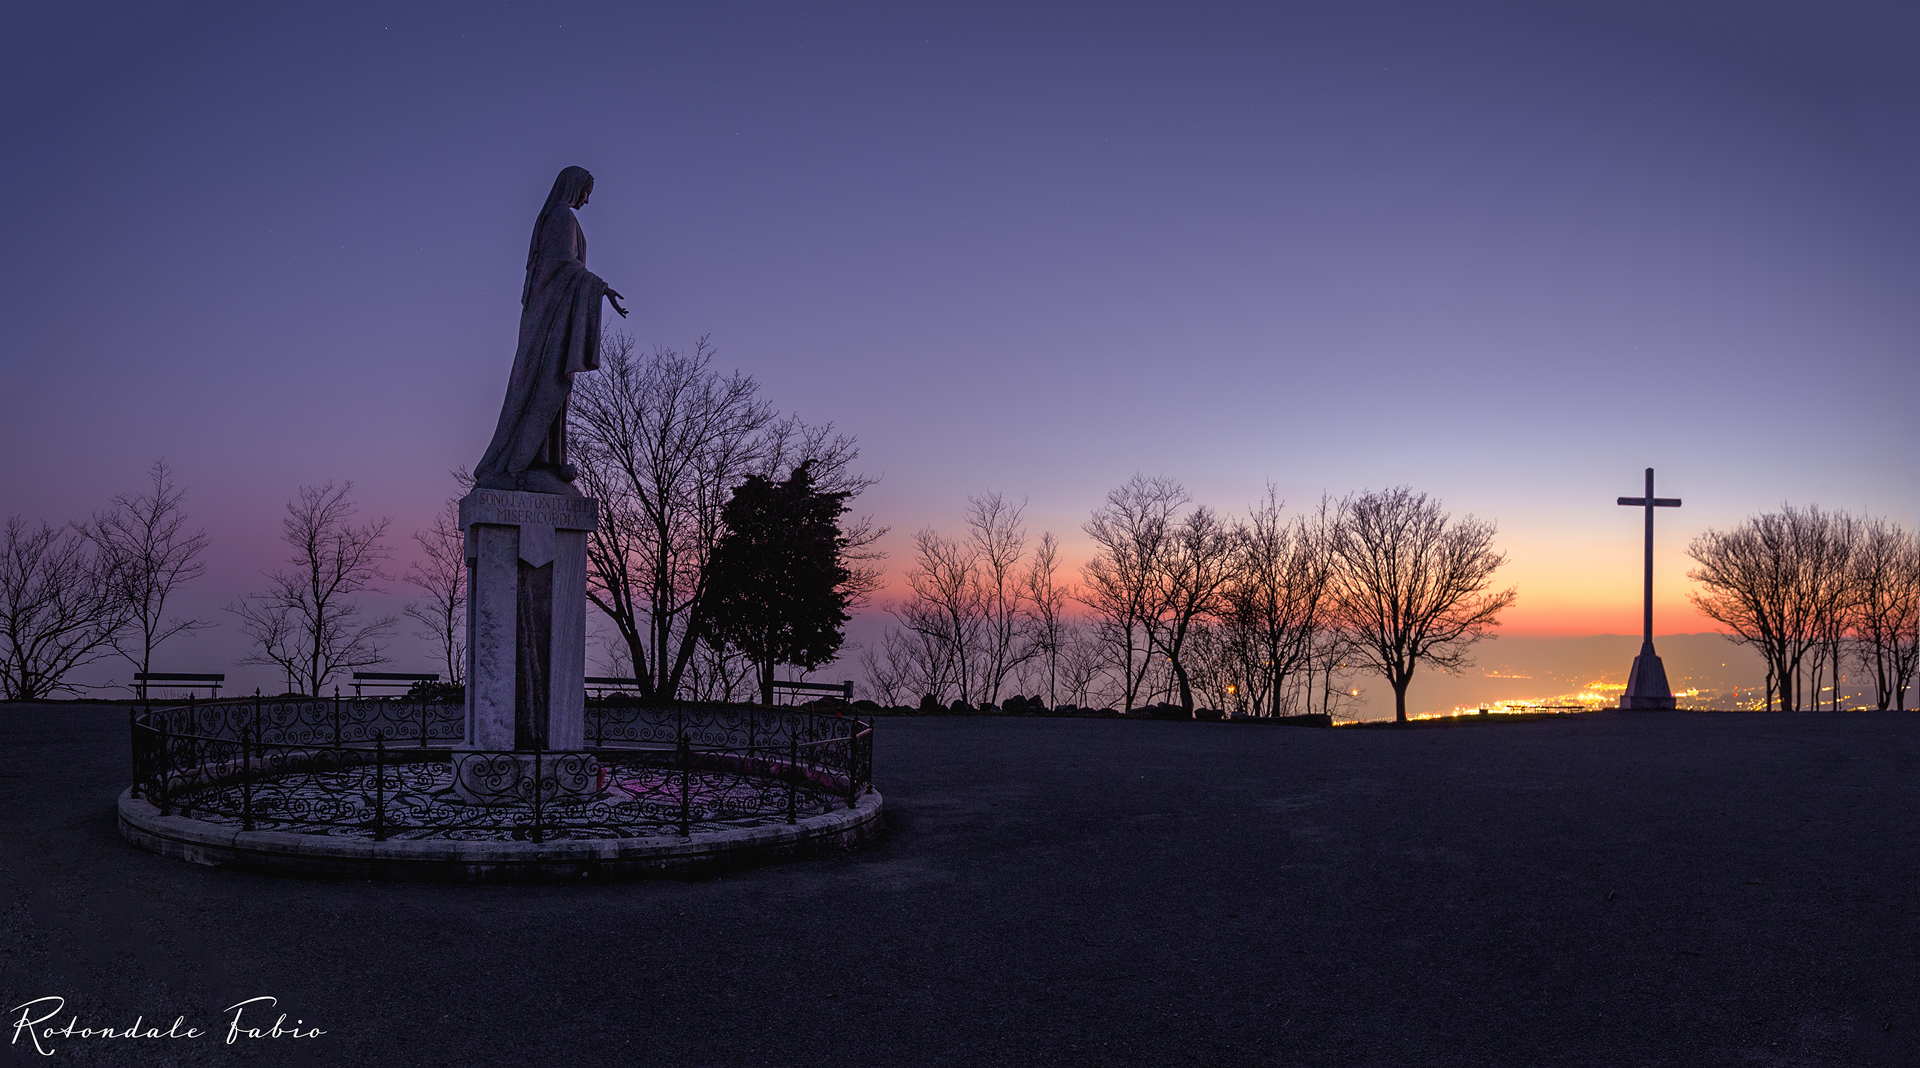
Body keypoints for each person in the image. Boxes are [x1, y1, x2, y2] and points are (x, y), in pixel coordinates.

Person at [474, 166, 627, 496]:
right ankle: (525, 464)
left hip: (552, 317)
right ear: (575, 188)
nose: (586, 201)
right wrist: (599, 287)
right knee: (545, 387)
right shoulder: (561, 218)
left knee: (550, 391)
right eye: (586, 193)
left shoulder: (558, 218)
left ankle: (545, 461)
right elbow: (562, 267)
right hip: (550, 323)